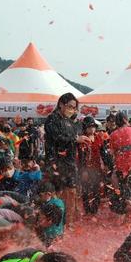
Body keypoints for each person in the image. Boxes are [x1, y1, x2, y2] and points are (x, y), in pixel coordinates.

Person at [44, 93, 90, 227]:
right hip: (55, 162)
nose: (72, 110)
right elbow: (56, 137)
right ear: (61, 105)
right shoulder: (52, 119)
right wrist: (75, 139)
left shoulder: (71, 122)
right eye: (70, 106)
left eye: (74, 108)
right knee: (58, 193)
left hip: (70, 163)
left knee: (72, 192)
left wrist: (80, 141)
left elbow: (73, 139)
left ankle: (68, 223)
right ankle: (56, 224)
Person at [78, 116, 108, 215]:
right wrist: (84, 170)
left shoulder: (99, 137)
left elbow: (103, 152)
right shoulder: (81, 139)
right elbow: (81, 156)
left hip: (97, 168)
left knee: (96, 189)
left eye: (93, 127)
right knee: (85, 190)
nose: (92, 129)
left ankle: (94, 210)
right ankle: (87, 210)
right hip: (85, 169)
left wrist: (107, 164)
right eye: (89, 127)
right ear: (85, 128)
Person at [35, 182, 65, 246]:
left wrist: (37, 225)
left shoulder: (53, 205)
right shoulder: (60, 202)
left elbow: (48, 222)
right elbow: (64, 221)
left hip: (52, 236)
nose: (39, 198)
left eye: (40, 195)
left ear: (48, 194)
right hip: (58, 234)